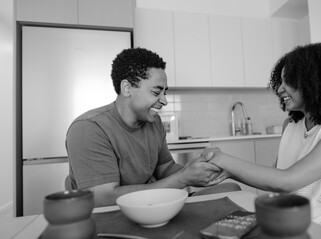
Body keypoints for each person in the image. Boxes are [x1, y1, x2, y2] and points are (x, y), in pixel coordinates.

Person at [201, 42, 321, 238]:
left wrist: (219, 158)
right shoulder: (291, 125)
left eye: (288, 81)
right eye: (281, 82)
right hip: (283, 224)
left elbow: (286, 182)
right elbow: (274, 179)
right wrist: (227, 173)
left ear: (315, 81)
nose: (280, 89)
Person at [66, 47, 240, 208]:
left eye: (165, 92)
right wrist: (183, 178)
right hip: (113, 214)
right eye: (156, 93)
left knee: (231, 189)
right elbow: (102, 199)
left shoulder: (153, 123)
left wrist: (197, 169)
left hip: (157, 205)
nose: (164, 100)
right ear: (127, 88)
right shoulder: (89, 128)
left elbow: (165, 168)